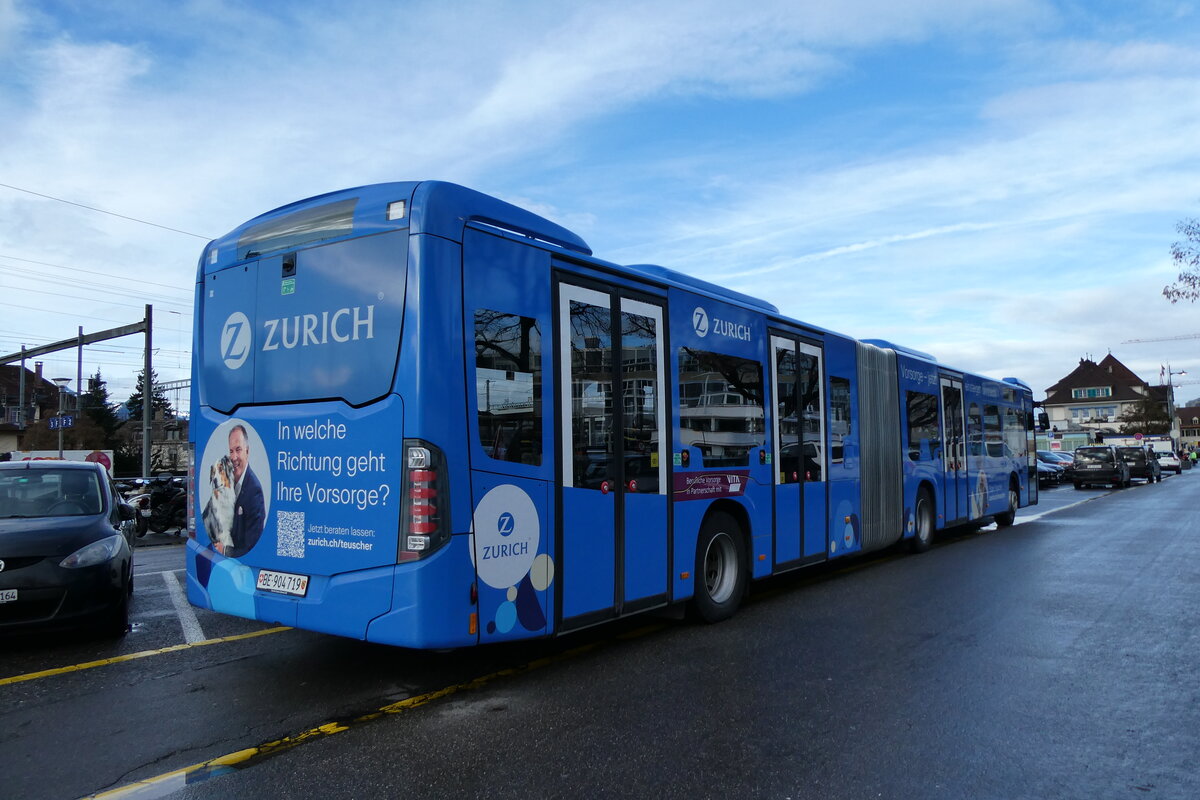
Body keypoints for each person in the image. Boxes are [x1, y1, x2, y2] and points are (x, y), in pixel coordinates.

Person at [219, 424, 265, 557]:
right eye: (231, 451)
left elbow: (251, 547)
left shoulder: (254, 490)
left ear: (247, 451)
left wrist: (224, 550)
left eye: (238, 450)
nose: (233, 457)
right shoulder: (227, 482)